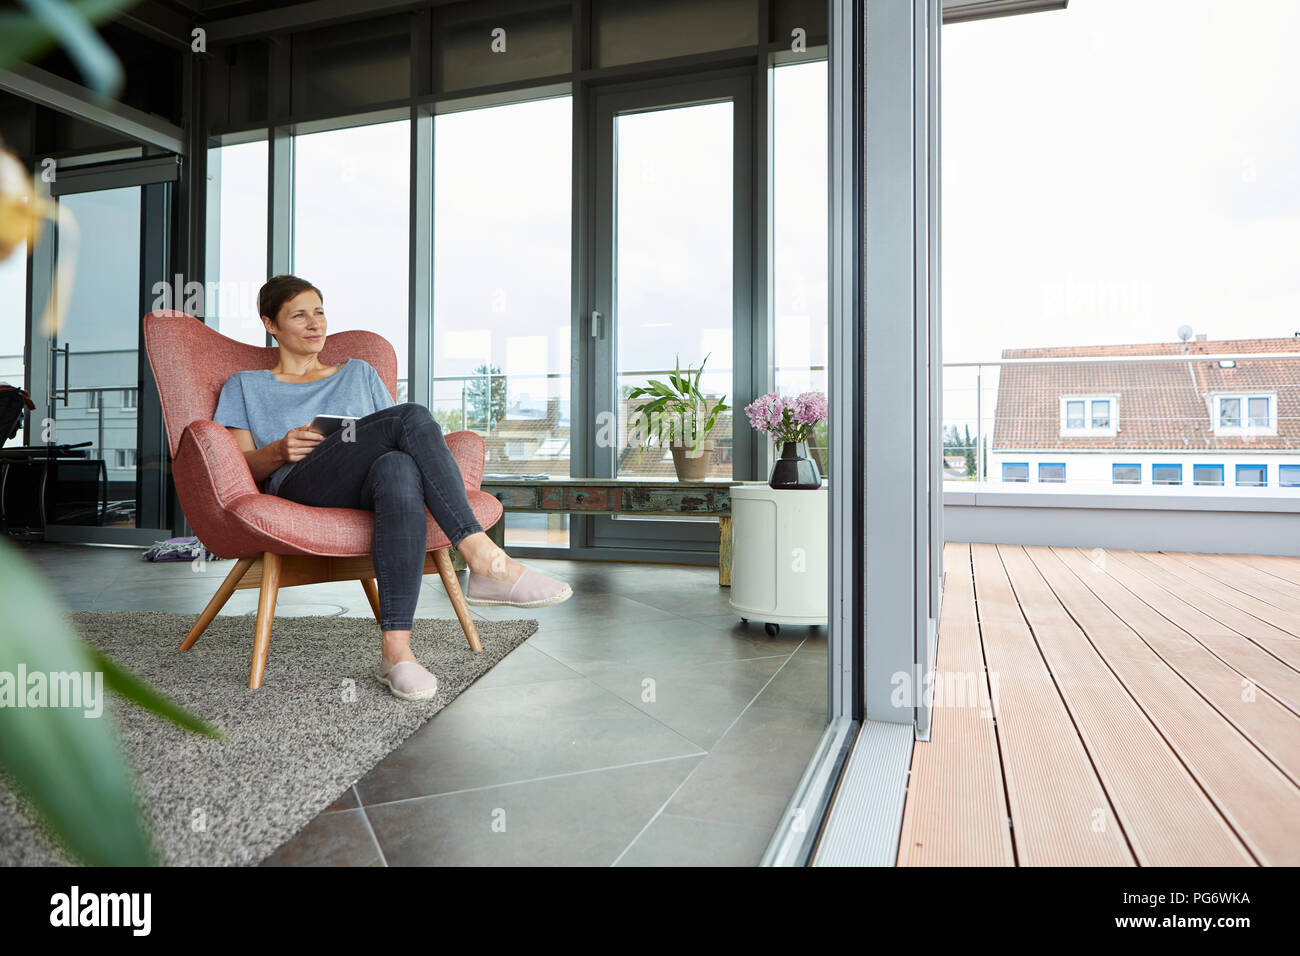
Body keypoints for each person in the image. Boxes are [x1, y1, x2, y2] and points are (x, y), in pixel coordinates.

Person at [212, 275, 572, 702]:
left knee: (399, 466)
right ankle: (484, 559)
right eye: (300, 315)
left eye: (320, 312)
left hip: (366, 483)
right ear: (271, 324)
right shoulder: (246, 385)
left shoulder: (358, 372)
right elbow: (239, 465)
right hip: (302, 483)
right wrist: (278, 450)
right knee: (411, 416)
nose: (315, 324)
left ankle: (396, 653)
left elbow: (397, 439)